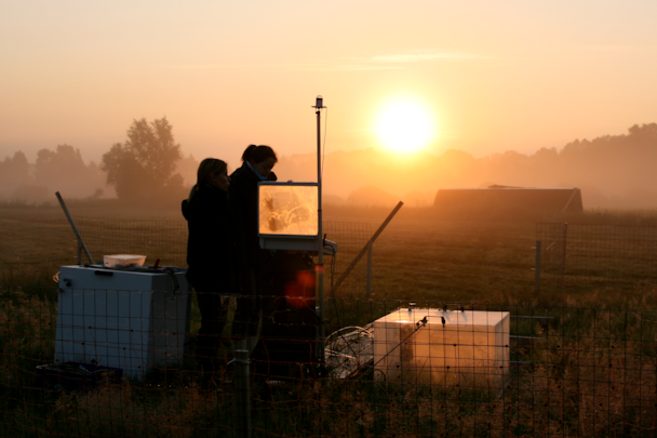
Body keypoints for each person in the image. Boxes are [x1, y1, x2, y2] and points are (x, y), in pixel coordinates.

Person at [181, 158, 238, 382]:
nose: (229, 178)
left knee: (213, 322)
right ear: (212, 177)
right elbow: (215, 244)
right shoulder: (209, 204)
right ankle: (207, 372)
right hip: (211, 275)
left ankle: (208, 369)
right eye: (225, 174)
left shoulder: (209, 200)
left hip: (210, 273)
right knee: (212, 324)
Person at [228, 145, 278, 350]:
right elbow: (237, 222)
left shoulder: (270, 181)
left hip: (264, 251)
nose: (268, 171)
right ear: (254, 162)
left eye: (271, 167)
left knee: (259, 304)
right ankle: (239, 349)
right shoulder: (238, 182)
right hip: (245, 251)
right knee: (247, 302)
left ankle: (250, 348)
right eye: (266, 166)